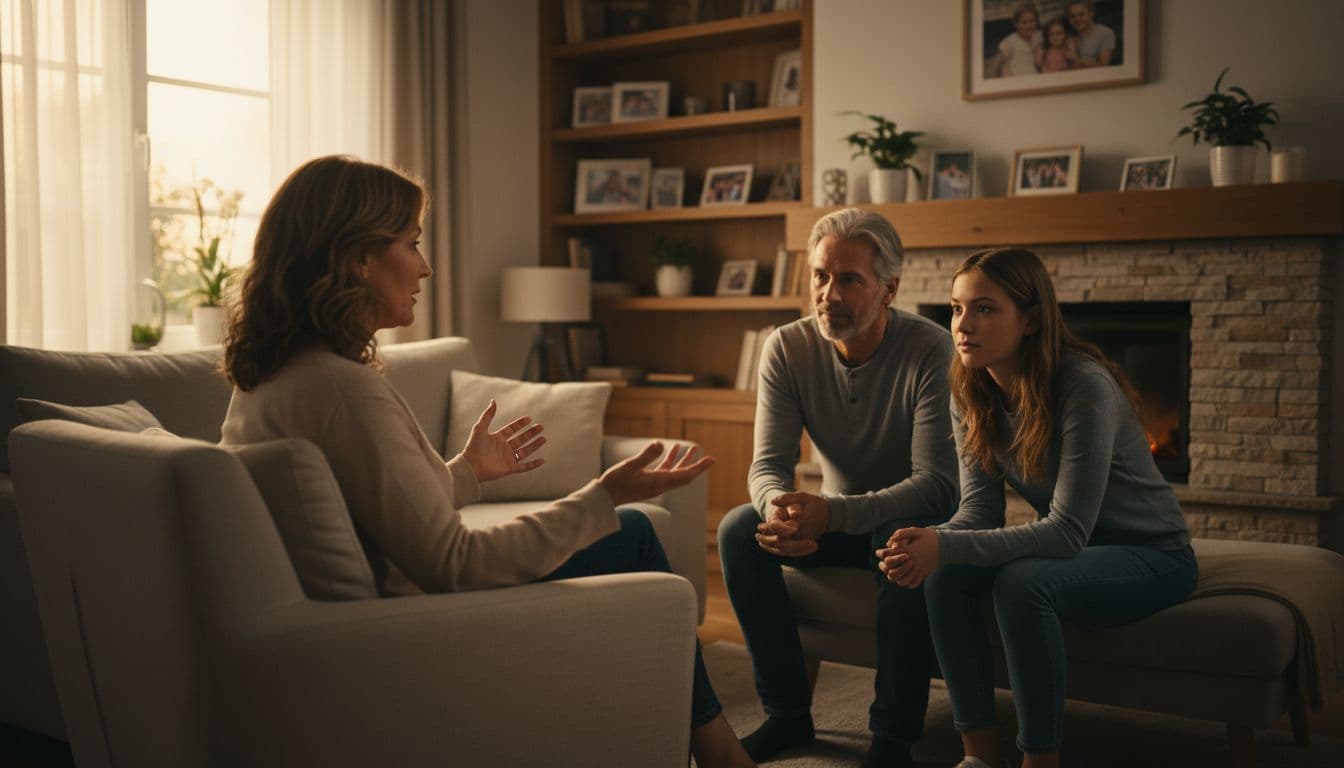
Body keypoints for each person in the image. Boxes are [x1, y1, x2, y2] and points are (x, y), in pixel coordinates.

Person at [219, 155, 756, 768]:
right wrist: (602, 496)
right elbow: (455, 563)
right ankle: (719, 753)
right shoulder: (345, 391)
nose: (426, 266)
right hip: (414, 630)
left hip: (356, 623)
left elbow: (377, 509)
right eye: (410, 243)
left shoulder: (272, 378)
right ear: (357, 257)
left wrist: (468, 472)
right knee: (632, 533)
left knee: (628, 531)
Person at [877, 248, 1197, 768]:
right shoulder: (970, 387)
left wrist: (947, 545)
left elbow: (1066, 532)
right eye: (956, 309)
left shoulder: (1083, 385)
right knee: (944, 576)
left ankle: (1040, 760)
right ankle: (979, 757)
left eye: (984, 309)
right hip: (1076, 553)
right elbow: (979, 511)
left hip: (1152, 555)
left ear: (1029, 320)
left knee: (1022, 582)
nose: (963, 325)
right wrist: (931, 542)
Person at [717, 208, 959, 768]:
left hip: (908, 522)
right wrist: (777, 511)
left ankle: (892, 740)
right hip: (835, 523)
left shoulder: (932, 350)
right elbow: (767, 465)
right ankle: (787, 714)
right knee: (737, 529)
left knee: (901, 537)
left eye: (850, 279)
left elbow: (936, 485)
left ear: (889, 290)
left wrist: (831, 514)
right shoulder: (786, 347)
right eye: (821, 276)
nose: (829, 294)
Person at [997, 3, 1042, 77]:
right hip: (1017, 77)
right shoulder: (1010, 41)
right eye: (1024, 22)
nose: (1029, 25)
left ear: (1037, 21)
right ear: (1016, 24)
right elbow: (1001, 65)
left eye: (1032, 21)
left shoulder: (1040, 36)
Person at [1066, 0, 1115, 67]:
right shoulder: (1069, 37)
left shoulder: (1105, 33)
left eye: (1081, 14)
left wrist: (1077, 60)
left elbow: (1104, 66)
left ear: (1091, 13)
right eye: (1073, 16)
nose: (1077, 19)